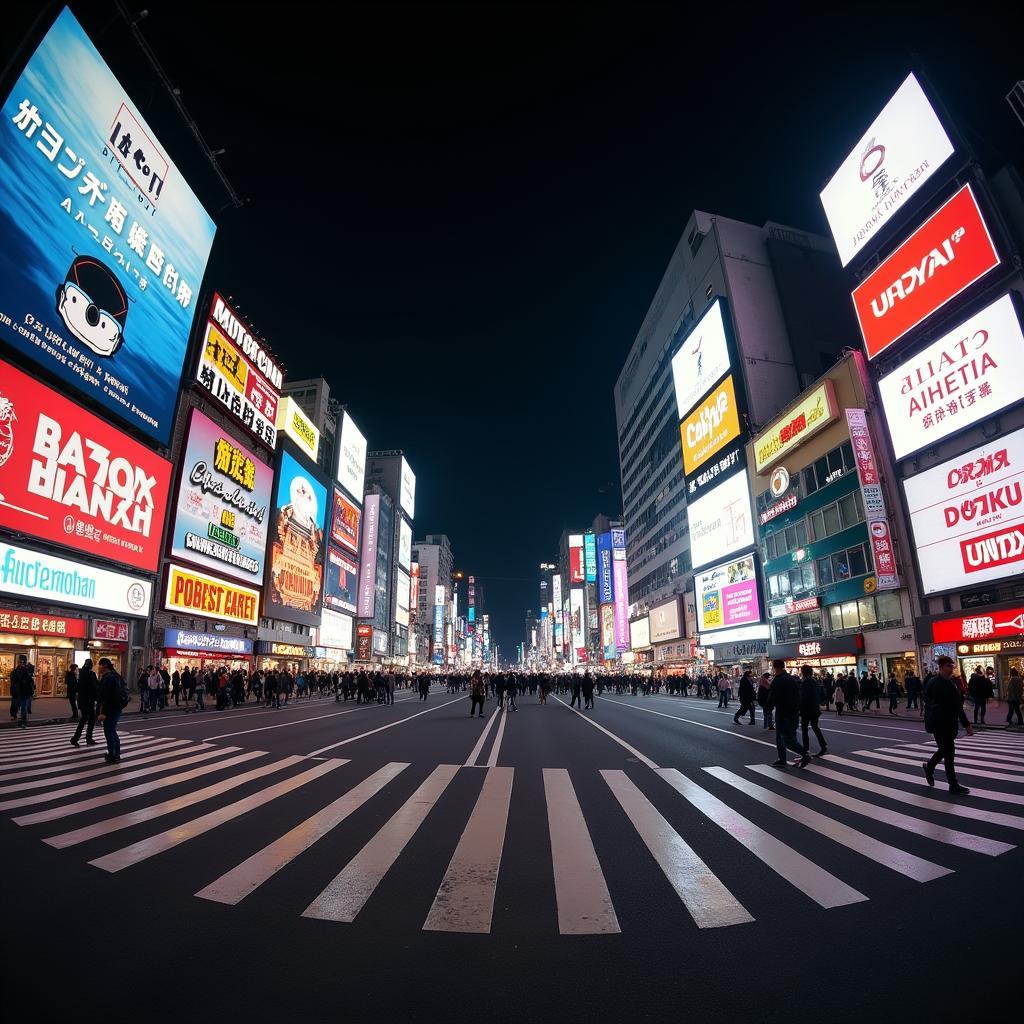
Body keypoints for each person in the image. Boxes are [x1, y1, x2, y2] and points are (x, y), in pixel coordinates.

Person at [922, 655, 973, 794]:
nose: (951, 669)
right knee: (949, 754)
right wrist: (967, 725)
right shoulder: (937, 683)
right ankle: (953, 785)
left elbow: (956, 705)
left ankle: (930, 767)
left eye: (952, 666)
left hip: (947, 724)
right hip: (940, 724)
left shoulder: (949, 682)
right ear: (941, 668)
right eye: (948, 667)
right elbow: (954, 705)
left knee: (945, 751)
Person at [767, 659, 810, 769]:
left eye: (772, 667)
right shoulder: (791, 679)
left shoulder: (777, 680)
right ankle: (782, 759)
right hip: (793, 712)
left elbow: (772, 697)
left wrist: (768, 707)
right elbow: (798, 695)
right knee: (789, 736)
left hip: (783, 712)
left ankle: (804, 754)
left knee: (785, 738)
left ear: (775, 668)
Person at [96, 657, 127, 763]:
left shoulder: (108, 678)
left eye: (99, 665)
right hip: (117, 707)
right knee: (112, 731)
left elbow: (108, 697)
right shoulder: (116, 675)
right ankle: (116, 754)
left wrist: (104, 713)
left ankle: (113, 755)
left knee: (109, 732)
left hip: (111, 709)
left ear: (104, 666)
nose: (98, 667)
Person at [799, 666, 827, 757]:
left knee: (804, 729)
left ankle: (806, 749)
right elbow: (821, 693)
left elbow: (803, 697)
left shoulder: (805, 682)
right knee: (815, 727)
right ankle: (823, 745)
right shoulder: (815, 681)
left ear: (804, 672)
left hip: (807, 709)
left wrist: (799, 708)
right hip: (815, 708)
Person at [70, 658, 99, 746]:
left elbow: (77, 686)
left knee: (83, 719)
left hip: (82, 700)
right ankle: (88, 738)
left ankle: (76, 738)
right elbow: (95, 687)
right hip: (89, 700)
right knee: (91, 719)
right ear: (91, 665)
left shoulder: (80, 674)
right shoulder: (91, 674)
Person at [10, 654, 34, 728]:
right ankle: (17, 717)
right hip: (17, 691)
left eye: (22, 662)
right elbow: (13, 679)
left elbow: (30, 680)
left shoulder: (25, 670)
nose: (20, 663)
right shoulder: (16, 670)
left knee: (23, 707)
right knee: (16, 705)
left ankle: (23, 721)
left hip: (23, 692)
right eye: (19, 662)